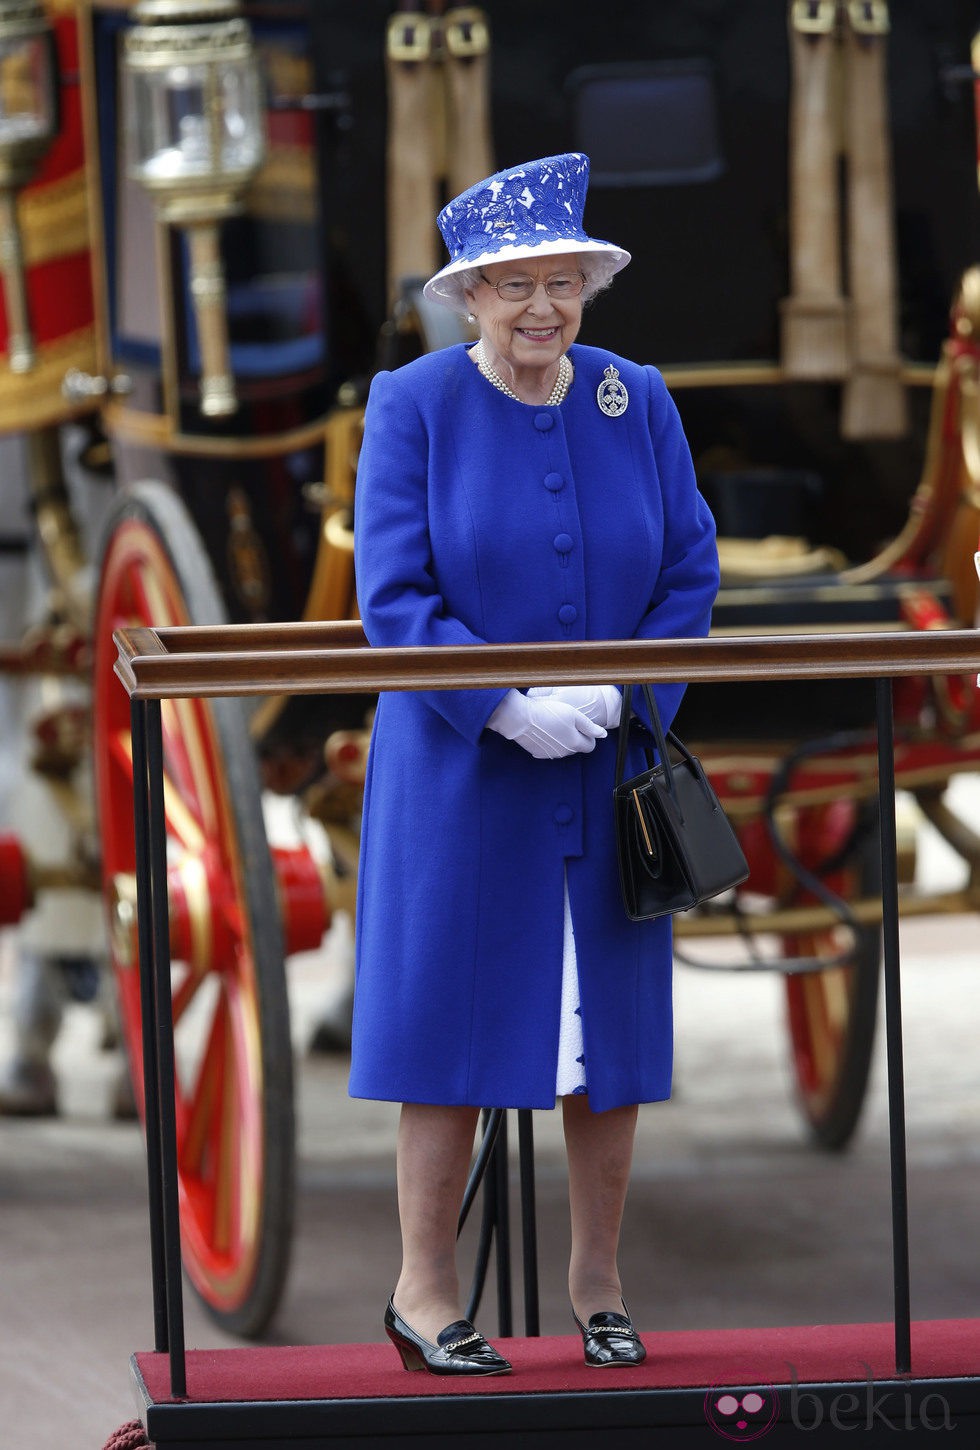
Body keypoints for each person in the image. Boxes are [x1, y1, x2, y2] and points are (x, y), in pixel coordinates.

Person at [351, 152, 719, 1377]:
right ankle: (423, 1290)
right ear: (466, 299)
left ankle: (599, 1284)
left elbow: (687, 573)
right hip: (464, 777)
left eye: (560, 282)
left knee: (600, 1034)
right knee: (450, 1030)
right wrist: (503, 704)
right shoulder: (411, 405)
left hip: (605, 774)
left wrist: (623, 691)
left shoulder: (636, 398)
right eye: (513, 287)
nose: (541, 309)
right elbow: (391, 597)